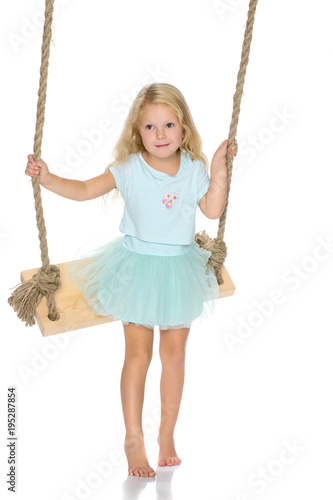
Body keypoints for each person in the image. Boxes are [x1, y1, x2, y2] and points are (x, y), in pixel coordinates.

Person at [25, 82, 238, 478]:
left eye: (169, 125)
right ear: (137, 133)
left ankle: (167, 434)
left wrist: (219, 171)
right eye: (150, 128)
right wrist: (49, 179)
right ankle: (133, 439)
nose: (160, 135)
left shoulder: (192, 170)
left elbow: (211, 208)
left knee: (174, 356)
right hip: (136, 270)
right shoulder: (129, 169)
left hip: (178, 273)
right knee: (138, 355)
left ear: (184, 130)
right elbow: (87, 188)